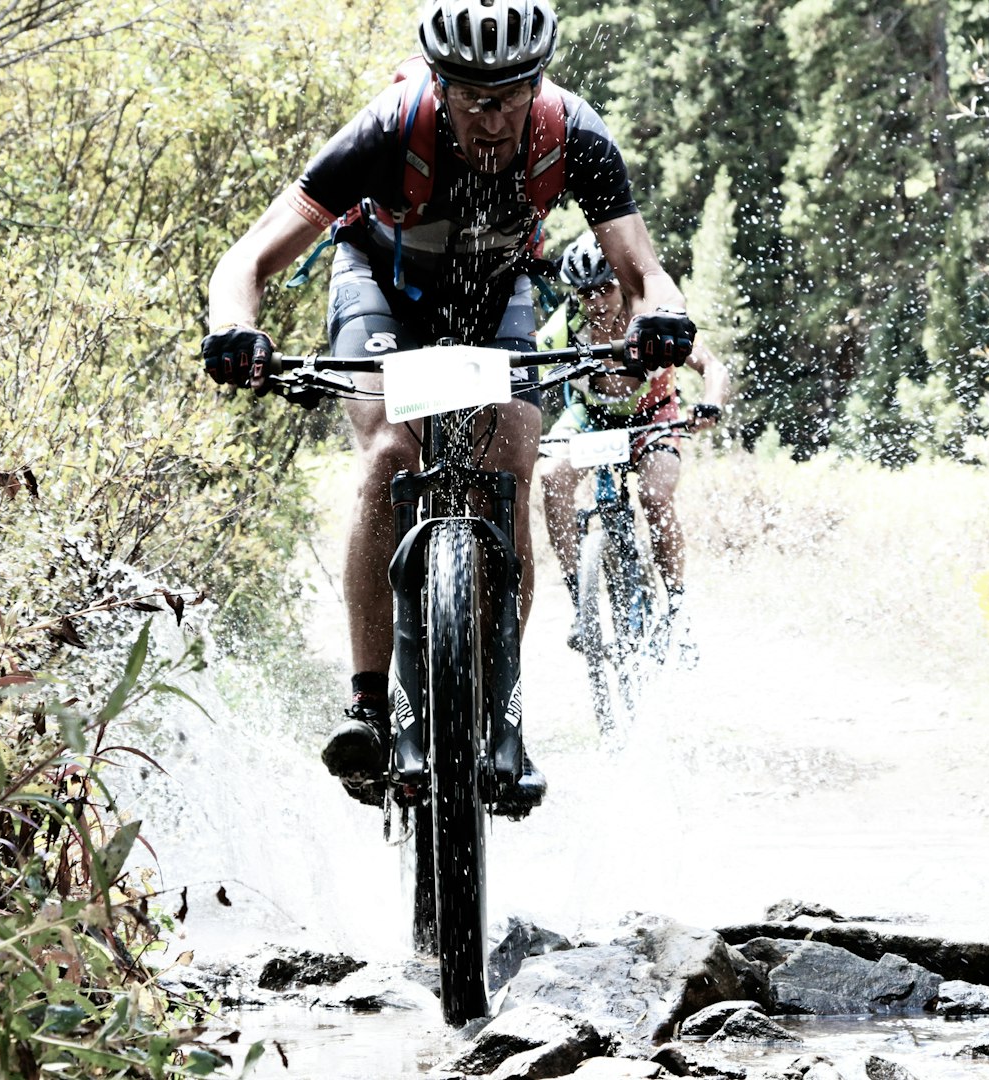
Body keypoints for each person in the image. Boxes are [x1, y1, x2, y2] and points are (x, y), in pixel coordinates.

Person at [198, 0, 696, 807]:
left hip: (495, 298)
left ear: (537, 82)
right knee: (390, 457)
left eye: (512, 95)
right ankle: (365, 706)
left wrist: (660, 315)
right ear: (440, 83)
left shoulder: (574, 133)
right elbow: (247, 258)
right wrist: (234, 327)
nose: (494, 119)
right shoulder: (388, 128)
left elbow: (642, 269)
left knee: (514, 457)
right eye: (474, 97)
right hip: (381, 290)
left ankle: (503, 714)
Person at [538, 230, 731, 656]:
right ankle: (579, 604)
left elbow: (712, 368)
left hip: (653, 418)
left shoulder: (654, 316)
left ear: (621, 285)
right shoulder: (563, 328)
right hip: (591, 421)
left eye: (605, 289)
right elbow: (522, 374)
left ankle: (677, 607)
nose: (596, 303)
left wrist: (710, 405)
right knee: (551, 476)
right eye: (585, 294)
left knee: (655, 495)